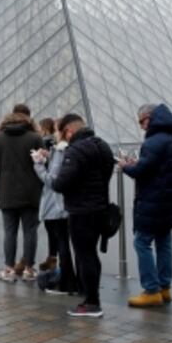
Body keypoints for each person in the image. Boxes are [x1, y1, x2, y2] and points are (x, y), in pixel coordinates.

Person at [119, 104, 172, 308]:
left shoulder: (153, 141)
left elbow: (143, 172)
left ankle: (151, 290)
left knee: (141, 242)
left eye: (141, 122)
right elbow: (159, 168)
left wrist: (126, 166)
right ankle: (165, 288)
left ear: (149, 117)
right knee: (164, 242)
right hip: (169, 200)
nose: (142, 127)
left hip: (153, 200)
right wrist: (138, 164)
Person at [52, 114, 115, 318]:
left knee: (84, 255)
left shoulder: (76, 150)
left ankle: (91, 302)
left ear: (69, 130)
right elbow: (106, 173)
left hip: (81, 210)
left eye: (61, 132)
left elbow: (61, 183)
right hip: (100, 207)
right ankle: (91, 298)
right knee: (91, 254)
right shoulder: (102, 145)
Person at [0, 104, 44, 283]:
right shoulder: (35, 137)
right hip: (31, 190)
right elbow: (42, 163)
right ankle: (29, 269)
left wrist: (3, 166)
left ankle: (8, 269)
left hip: (7, 189)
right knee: (30, 231)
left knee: (9, 231)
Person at [32, 126, 78, 295]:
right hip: (68, 204)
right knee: (66, 242)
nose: (55, 134)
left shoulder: (61, 150)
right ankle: (71, 281)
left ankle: (66, 283)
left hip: (56, 205)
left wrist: (38, 165)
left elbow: (52, 180)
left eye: (58, 130)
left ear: (65, 132)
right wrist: (49, 156)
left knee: (62, 243)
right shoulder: (73, 149)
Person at [37, 118, 58, 272]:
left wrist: (40, 162)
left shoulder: (46, 142)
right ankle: (52, 257)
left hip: (51, 190)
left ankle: (53, 258)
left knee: (53, 227)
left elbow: (50, 172)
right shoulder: (55, 145)